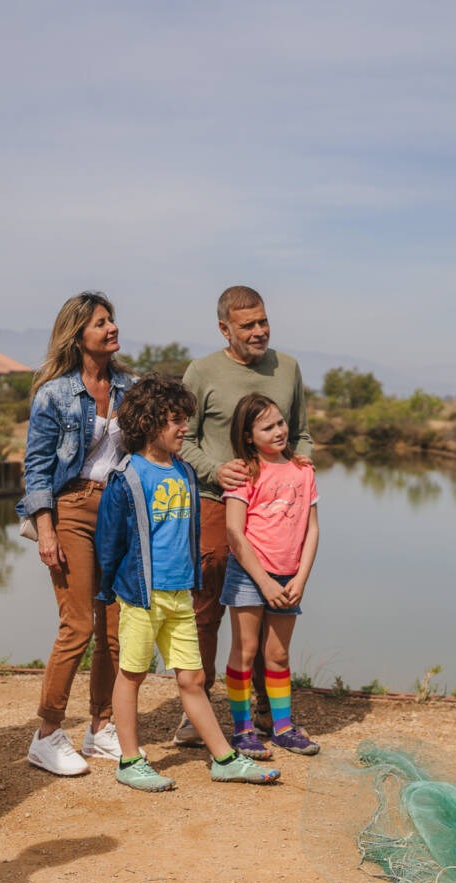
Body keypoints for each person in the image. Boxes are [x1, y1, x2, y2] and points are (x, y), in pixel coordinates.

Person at [97, 374, 281, 792]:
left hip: (180, 594)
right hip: (142, 597)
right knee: (131, 674)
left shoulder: (183, 472)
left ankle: (224, 759)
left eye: (186, 419)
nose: (185, 428)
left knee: (192, 679)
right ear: (148, 422)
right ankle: (129, 761)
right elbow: (109, 541)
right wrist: (107, 590)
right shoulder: (127, 476)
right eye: (176, 420)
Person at [178, 286, 313, 745]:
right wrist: (218, 470)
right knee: (209, 608)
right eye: (247, 325)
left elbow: (304, 436)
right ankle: (197, 707)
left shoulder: (289, 367)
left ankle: (266, 713)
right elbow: (180, 439)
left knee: (271, 606)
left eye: (263, 321)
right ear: (224, 329)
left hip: (278, 512)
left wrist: (300, 470)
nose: (259, 331)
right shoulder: (201, 372)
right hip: (218, 504)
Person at [18, 292, 135, 776]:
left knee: (113, 630)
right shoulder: (55, 394)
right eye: (101, 323)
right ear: (78, 335)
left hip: (116, 512)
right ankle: (46, 733)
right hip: (70, 510)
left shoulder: (130, 387)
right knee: (78, 626)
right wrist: (46, 529)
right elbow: (37, 468)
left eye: (111, 320)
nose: (112, 328)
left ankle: (101, 727)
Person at [221, 394, 321, 759]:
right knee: (245, 652)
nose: (278, 431)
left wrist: (300, 579)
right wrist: (263, 581)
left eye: (280, 422)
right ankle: (243, 730)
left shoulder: (302, 470)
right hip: (250, 576)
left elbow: (312, 530)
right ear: (248, 436)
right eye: (267, 427)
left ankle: (282, 727)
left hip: (289, 576)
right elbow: (234, 532)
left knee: (277, 655)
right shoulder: (243, 472)